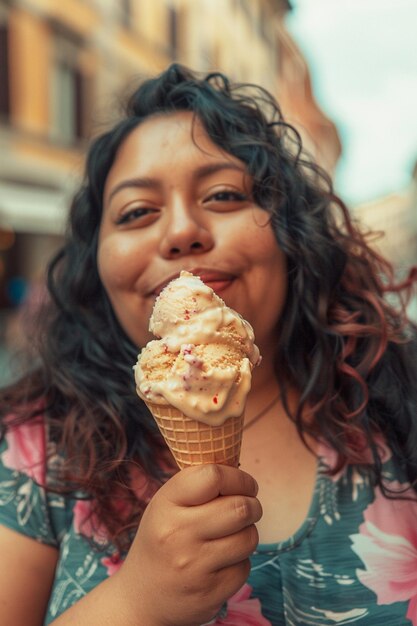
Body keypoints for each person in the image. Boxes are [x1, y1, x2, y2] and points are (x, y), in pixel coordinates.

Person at [0, 63, 416, 626]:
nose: (181, 232)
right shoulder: (31, 451)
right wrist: (135, 601)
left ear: (293, 234)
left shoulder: (401, 411)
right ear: (94, 263)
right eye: (137, 211)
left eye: (223, 194)